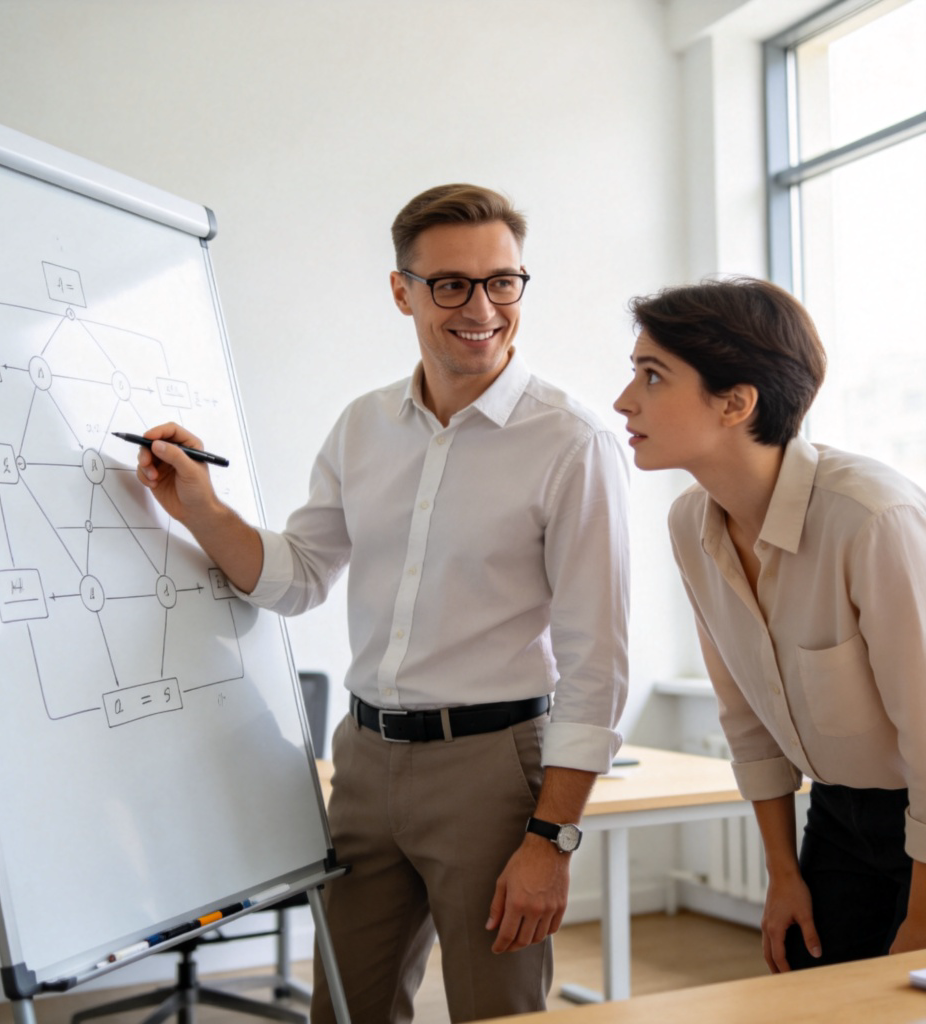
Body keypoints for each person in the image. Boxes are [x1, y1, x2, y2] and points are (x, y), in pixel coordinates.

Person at [133, 184, 629, 1022]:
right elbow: (296, 578)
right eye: (451, 284)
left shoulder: (571, 442)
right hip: (362, 762)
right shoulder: (363, 426)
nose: (482, 307)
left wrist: (551, 841)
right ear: (402, 291)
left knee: (494, 1012)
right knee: (345, 1009)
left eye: (502, 281)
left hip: (494, 769)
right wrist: (201, 510)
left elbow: (598, 665)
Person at [614, 276, 926, 975]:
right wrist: (782, 875)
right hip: (839, 814)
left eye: (652, 376)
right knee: (805, 983)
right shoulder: (691, 523)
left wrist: (922, 915)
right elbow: (745, 717)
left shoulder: (871, 518)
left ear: (736, 402)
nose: (624, 400)